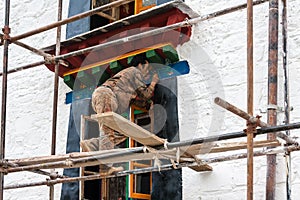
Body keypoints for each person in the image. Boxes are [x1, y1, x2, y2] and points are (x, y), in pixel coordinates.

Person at [80, 53, 159, 173]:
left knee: (121, 132)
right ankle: (105, 167)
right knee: (108, 130)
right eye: (147, 68)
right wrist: (153, 82)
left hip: (106, 97)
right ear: (139, 65)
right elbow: (145, 94)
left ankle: (92, 145)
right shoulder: (134, 71)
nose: (148, 72)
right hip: (106, 95)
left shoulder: (128, 83)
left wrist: (149, 106)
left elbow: (139, 100)